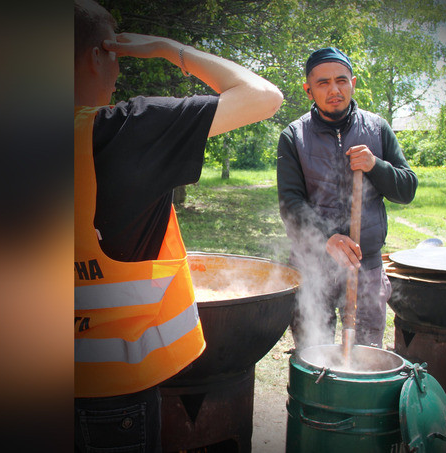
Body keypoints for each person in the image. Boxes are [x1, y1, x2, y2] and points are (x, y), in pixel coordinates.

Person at [73, 1, 283, 451]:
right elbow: (264, 96)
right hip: (111, 396)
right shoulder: (126, 131)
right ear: (97, 55)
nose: (117, 72)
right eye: (115, 55)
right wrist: (171, 50)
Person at [277, 47, 417, 350]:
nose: (334, 89)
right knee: (313, 355)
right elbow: (290, 204)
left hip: (366, 267)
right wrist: (329, 238)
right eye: (323, 83)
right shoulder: (294, 136)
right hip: (313, 267)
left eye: (341, 80)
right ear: (308, 90)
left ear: (352, 82)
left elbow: (406, 190)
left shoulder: (377, 129)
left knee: (365, 357)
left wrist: (375, 166)